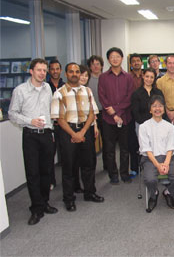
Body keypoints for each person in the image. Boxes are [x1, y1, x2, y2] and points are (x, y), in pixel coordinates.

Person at [9, 58, 58, 225]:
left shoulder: (47, 89)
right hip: (30, 135)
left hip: (46, 134)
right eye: (39, 70)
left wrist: (50, 130)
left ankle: (45, 203)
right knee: (33, 173)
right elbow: (12, 114)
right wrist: (30, 121)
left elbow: (50, 111)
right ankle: (36, 208)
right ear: (31, 71)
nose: (42, 73)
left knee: (47, 171)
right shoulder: (20, 90)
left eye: (45, 70)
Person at [51, 62, 104, 212]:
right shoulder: (59, 93)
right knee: (68, 167)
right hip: (68, 133)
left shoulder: (87, 91)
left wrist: (82, 132)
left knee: (88, 165)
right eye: (71, 72)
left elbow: (92, 113)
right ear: (66, 74)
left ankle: (90, 192)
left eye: (77, 72)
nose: (74, 74)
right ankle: (69, 199)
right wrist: (74, 134)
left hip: (85, 130)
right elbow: (59, 118)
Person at [138, 95, 174, 212]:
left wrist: (166, 163)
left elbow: (170, 147)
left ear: (164, 109)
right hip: (150, 159)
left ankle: (168, 192)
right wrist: (158, 165)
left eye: (160, 106)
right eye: (154, 106)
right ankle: (154, 194)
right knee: (150, 180)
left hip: (167, 158)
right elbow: (146, 149)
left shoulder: (170, 127)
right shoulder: (143, 127)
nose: (157, 108)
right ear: (150, 109)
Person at [98, 47, 134, 184]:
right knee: (109, 148)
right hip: (108, 119)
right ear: (108, 60)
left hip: (124, 118)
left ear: (122, 58)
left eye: (117, 56)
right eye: (112, 57)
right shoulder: (103, 77)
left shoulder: (128, 77)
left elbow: (129, 97)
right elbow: (102, 97)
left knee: (125, 148)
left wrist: (118, 112)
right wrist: (113, 114)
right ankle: (113, 174)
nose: (115, 59)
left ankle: (124, 173)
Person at [72, 65, 99, 194]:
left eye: (86, 75)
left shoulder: (88, 91)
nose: (83, 77)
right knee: (74, 160)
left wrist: (95, 126)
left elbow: (93, 111)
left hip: (89, 127)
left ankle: (89, 189)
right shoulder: (65, 91)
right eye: (81, 74)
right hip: (73, 129)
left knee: (89, 159)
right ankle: (76, 186)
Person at [47, 59, 65, 188]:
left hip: (65, 126)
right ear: (49, 71)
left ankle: (68, 180)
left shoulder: (66, 86)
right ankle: (51, 181)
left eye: (57, 69)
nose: (55, 71)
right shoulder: (45, 87)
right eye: (52, 69)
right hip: (51, 127)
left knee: (66, 155)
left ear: (60, 70)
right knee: (49, 155)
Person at [156, 55, 174, 124]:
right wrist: (169, 113)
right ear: (165, 64)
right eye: (170, 63)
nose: (172, 65)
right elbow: (159, 99)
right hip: (163, 114)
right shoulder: (159, 81)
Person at [128, 53, 144, 177]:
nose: (136, 63)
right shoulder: (128, 77)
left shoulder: (146, 76)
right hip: (132, 113)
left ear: (141, 63)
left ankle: (146, 166)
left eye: (138, 61)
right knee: (133, 142)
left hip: (147, 115)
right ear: (130, 64)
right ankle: (134, 167)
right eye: (134, 61)